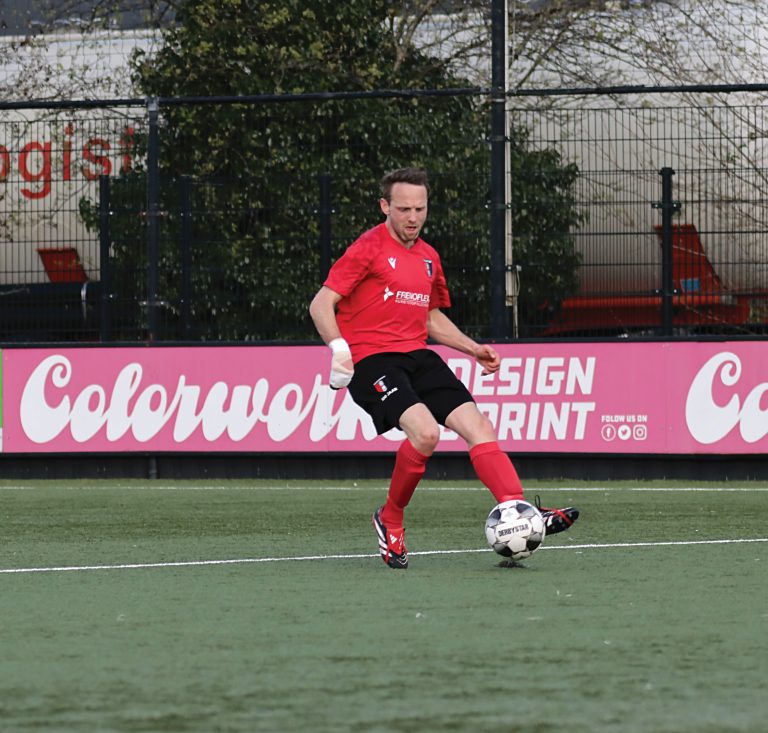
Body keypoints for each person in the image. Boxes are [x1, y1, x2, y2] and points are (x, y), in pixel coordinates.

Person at [309, 167, 578, 569]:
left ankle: (519, 511)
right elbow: (321, 303)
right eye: (403, 209)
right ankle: (390, 518)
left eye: (420, 208)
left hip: (417, 356)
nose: (412, 217)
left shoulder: (429, 257)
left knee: (479, 427)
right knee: (426, 433)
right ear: (385, 206)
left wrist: (472, 349)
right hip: (371, 361)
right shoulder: (367, 248)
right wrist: (338, 348)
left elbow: (430, 317)